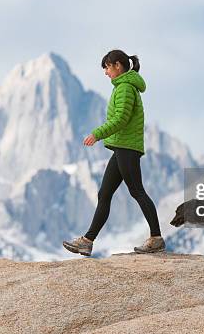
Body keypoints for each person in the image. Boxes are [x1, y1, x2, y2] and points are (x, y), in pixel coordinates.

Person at [62, 49, 165, 256]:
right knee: (105, 194)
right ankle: (87, 241)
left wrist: (97, 134)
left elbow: (121, 119)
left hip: (127, 148)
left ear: (118, 65)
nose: (106, 73)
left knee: (137, 191)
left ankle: (156, 238)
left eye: (107, 68)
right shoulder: (123, 87)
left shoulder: (126, 87)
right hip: (122, 148)